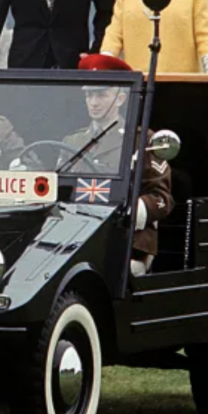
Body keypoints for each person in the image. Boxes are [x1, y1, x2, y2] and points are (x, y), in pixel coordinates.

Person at [69, 54, 174, 275]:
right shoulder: (73, 141)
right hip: (74, 238)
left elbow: (162, 199)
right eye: (89, 95)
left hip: (128, 242)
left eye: (101, 95)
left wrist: (133, 213)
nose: (94, 102)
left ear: (120, 98)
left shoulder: (143, 140)